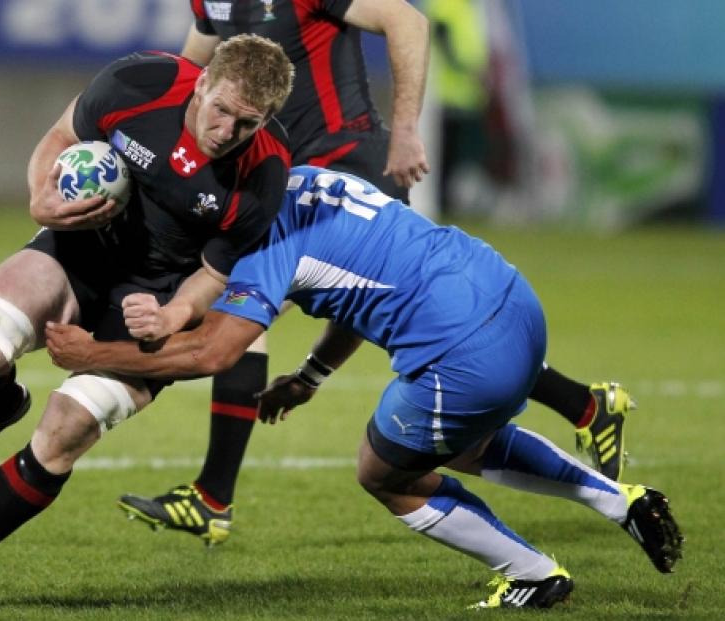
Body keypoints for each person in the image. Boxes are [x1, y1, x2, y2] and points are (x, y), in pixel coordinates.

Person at [44, 166, 683, 609]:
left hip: (463, 353)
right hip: (513, 298)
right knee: (455, 442)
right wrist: (311, 377)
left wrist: (92, 352)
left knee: (383, 471)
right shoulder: (318, 178)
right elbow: (355, 292)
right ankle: (621, 501)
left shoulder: (264, 240)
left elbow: (215, 353)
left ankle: (533, 576)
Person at [117, 0, 634, 547]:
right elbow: (186, 75)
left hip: (343, 163)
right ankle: (584, 404)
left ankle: (212, 497)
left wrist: (406, 129)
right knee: (289, 308)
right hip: (278, 170)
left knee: (242, 308)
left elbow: (406, 20)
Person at [0, 34, 295, 610]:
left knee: (64, 433)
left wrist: (172, 315)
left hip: (155, 302)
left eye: (247, 123)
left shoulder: (265, 174)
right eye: (222, 110)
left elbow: (212, 276)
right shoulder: (139, 84)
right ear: (202, 82)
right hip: (81, 249)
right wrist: (40, 198)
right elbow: (62, 137)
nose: (226, 131)